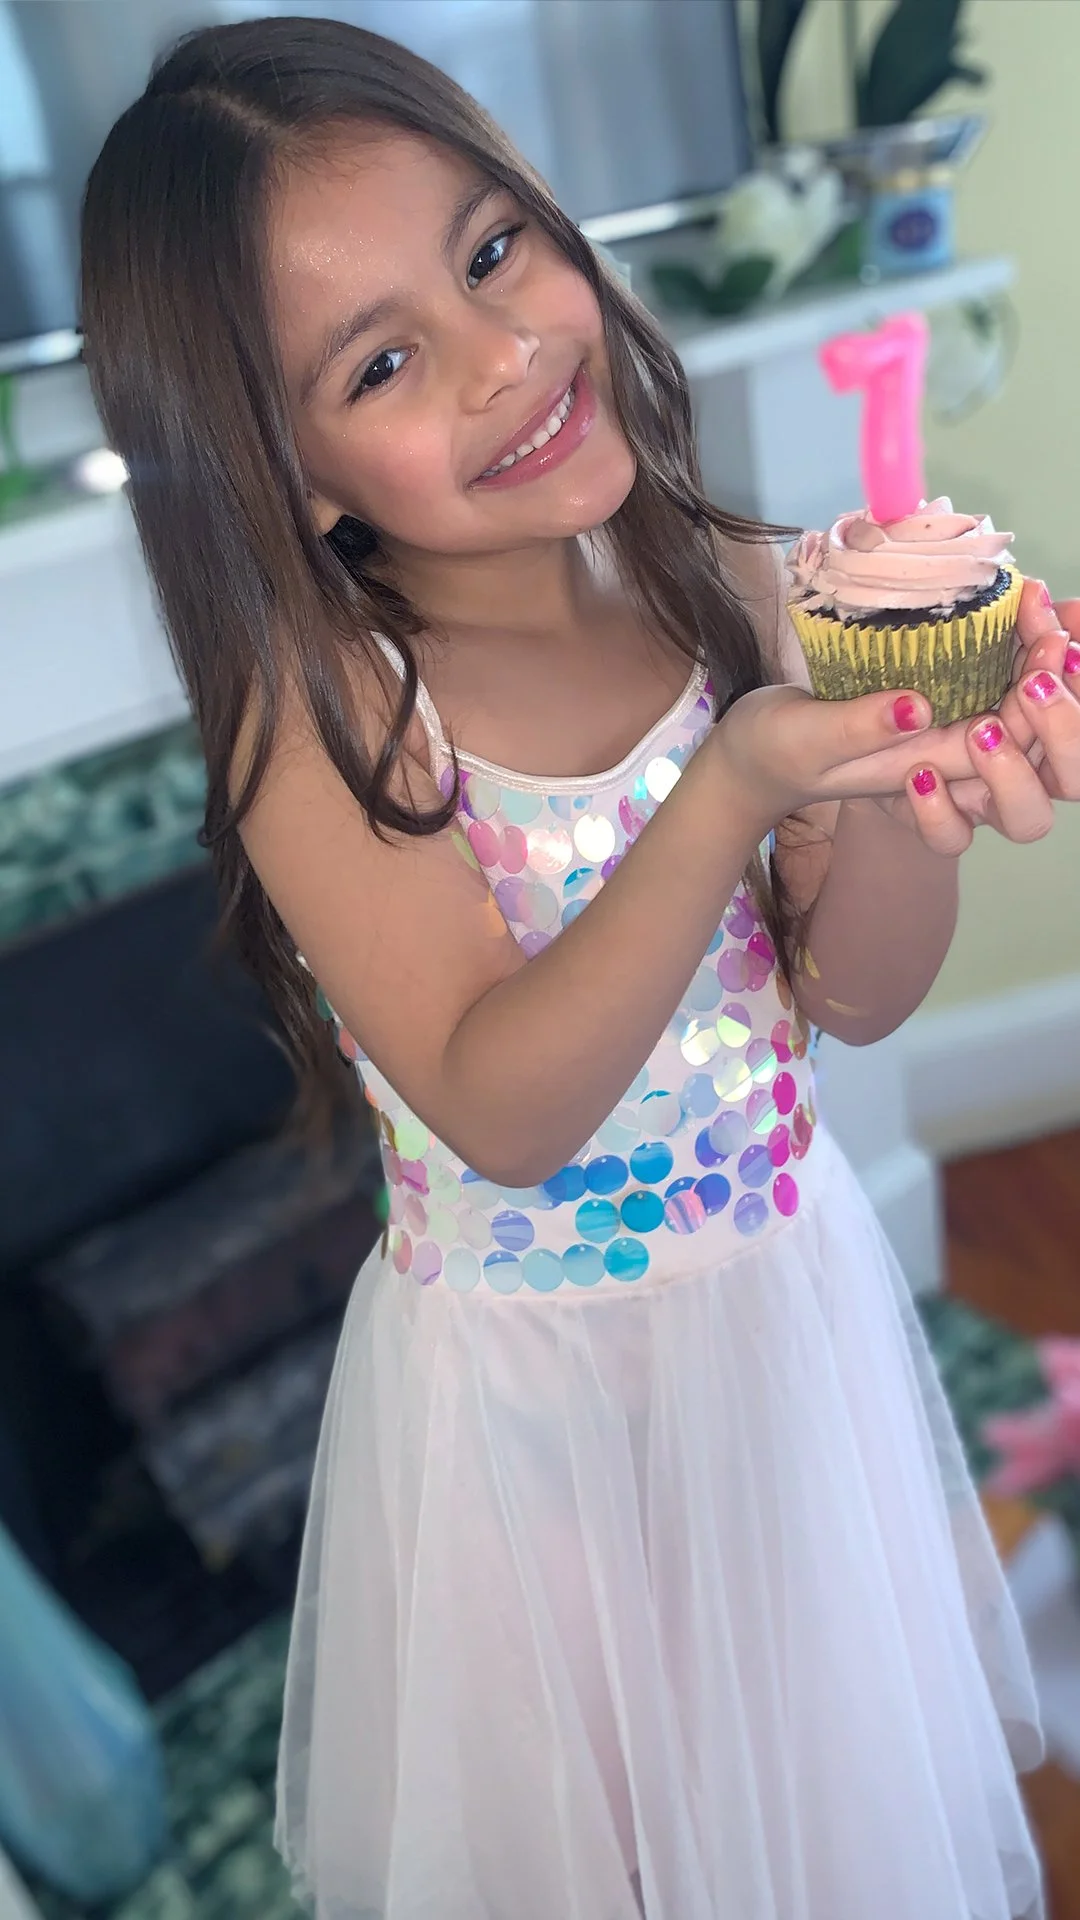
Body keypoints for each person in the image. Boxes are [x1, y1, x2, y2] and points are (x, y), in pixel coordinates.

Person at [80, 18, 1080, 1918]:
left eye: (493, 251)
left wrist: (906, 781)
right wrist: (737, 786)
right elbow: (504, 1106)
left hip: (783, 1341)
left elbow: (854, 996)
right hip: (528, 1443)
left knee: (819, 1820)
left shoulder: (745, 585)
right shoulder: (329, 717)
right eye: (382, 363)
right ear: (289, 472)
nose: (503, 352)